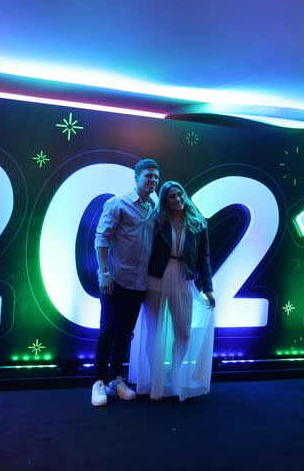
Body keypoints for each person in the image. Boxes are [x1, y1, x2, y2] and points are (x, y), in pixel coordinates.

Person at [129, 181, 216, 401]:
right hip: (156, 277)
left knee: (184, 333)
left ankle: (176, 377)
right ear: (165, 201)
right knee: (153, 331)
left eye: (180, 195)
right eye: (171, 197)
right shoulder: (158, 221)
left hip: (183, 278)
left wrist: (208, 288)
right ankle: (154, 381)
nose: (177, 199)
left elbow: (204, 258)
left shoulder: (198, 223)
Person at [91, 158, 160, 406]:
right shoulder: (118, 203)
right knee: (107, 331)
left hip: (139, 282)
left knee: (125, 333)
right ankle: (98, 381)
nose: (153, 180)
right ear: (137, 177)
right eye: (148, 175)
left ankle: (115, 379)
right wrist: (104, 273)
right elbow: (102, 238)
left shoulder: (154, 208)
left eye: (156, 176)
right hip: (116, 279)